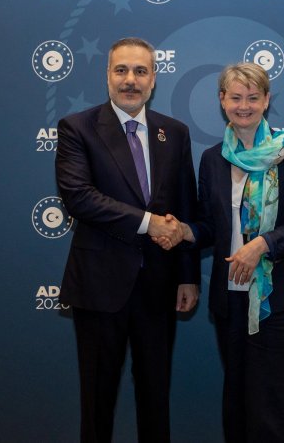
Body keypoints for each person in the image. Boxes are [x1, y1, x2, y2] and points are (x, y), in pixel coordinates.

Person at [157, 62, 284, 443]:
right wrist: (183, 230)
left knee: (279, 405)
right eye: (235, 97)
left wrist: (261, 246)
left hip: (277, 298)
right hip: (229, 299)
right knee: (238, 403)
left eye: (252, 97)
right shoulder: (213, 159)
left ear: (266, 101)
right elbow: (211, 228)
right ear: (222, 101)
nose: (243, 106)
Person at [55, 37, 200, 443]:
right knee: (97, 403)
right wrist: (149, 223)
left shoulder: (175, 133)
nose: (130, 80)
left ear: (153, 79)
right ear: (107, 76)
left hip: (159, 288)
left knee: (156, 400)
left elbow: (186, 206)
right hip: (100, 287)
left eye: (140, 71)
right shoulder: (77, 128)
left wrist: (188, 275)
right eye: (121, 70)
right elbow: (80, 197)